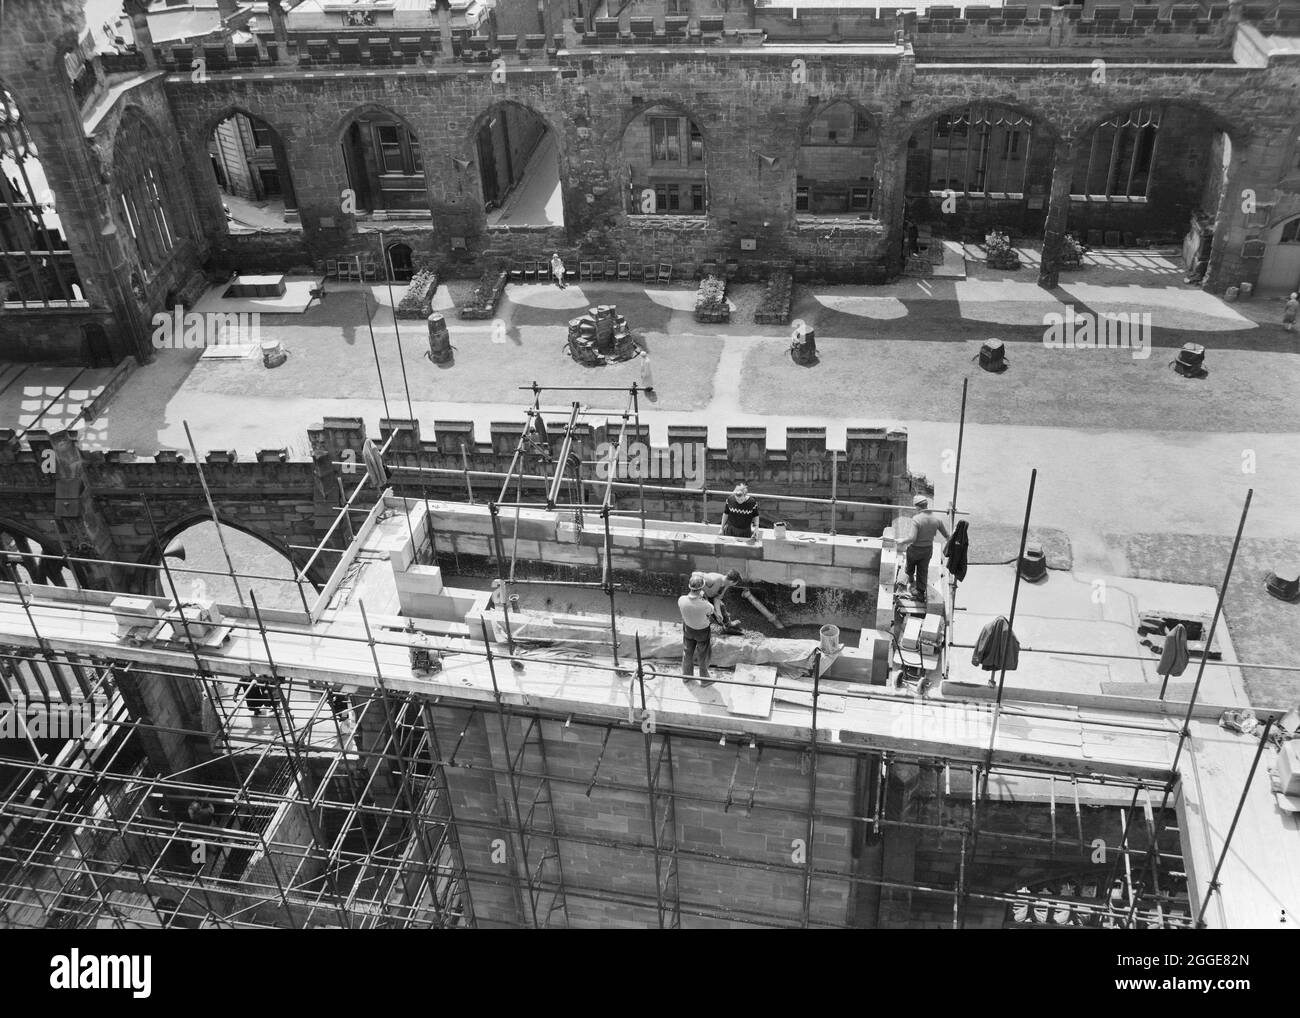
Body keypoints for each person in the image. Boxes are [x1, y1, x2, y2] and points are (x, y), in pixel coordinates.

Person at [900, 495, 950, 599]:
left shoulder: (916, 519)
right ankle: (920, 592)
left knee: (909, 569)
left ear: (917, 507)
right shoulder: (937, 519)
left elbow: (912, 538)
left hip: (914, 550)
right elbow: (947, 536)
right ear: (926, 505)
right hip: (927, 550)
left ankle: (909, 584)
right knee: (923, 570)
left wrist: (902, 541)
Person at [677, 572, 716, 685]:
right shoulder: (705, 605)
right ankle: (704, 680)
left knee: (687, 652)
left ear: (690, 586)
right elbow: (711, 611)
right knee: (703, 655)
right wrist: (703, 598)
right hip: (702, 631)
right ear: (701, 587)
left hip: (688, 629)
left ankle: (686, 676)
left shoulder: (681, 600)